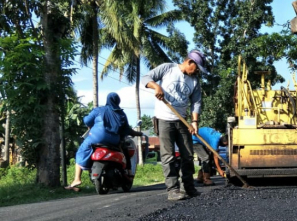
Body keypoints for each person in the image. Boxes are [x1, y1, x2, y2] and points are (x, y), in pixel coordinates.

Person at [141, 49, 207, 201]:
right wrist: (156, 87)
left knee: (188, 155)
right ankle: (173, 190)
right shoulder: (167, 68)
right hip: (164, 119)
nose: (196, 71)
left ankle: (188, 188)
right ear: (189, 62)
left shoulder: (194, 81)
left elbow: (196, 102)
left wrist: (195, 122)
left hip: (182, 120)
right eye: (196, 68)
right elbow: (146, 78)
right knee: (168, 156)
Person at [65, 92, 143, 191]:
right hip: (114, 141)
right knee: (124, 150)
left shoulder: (99, 110)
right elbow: (127, 130)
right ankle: (128, 171)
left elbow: (87, 121)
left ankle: (77, 179)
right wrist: (139, 134)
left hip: (96, 138)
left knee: (81, 151)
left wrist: (88, 120)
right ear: (118, 101)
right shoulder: (121, 114)